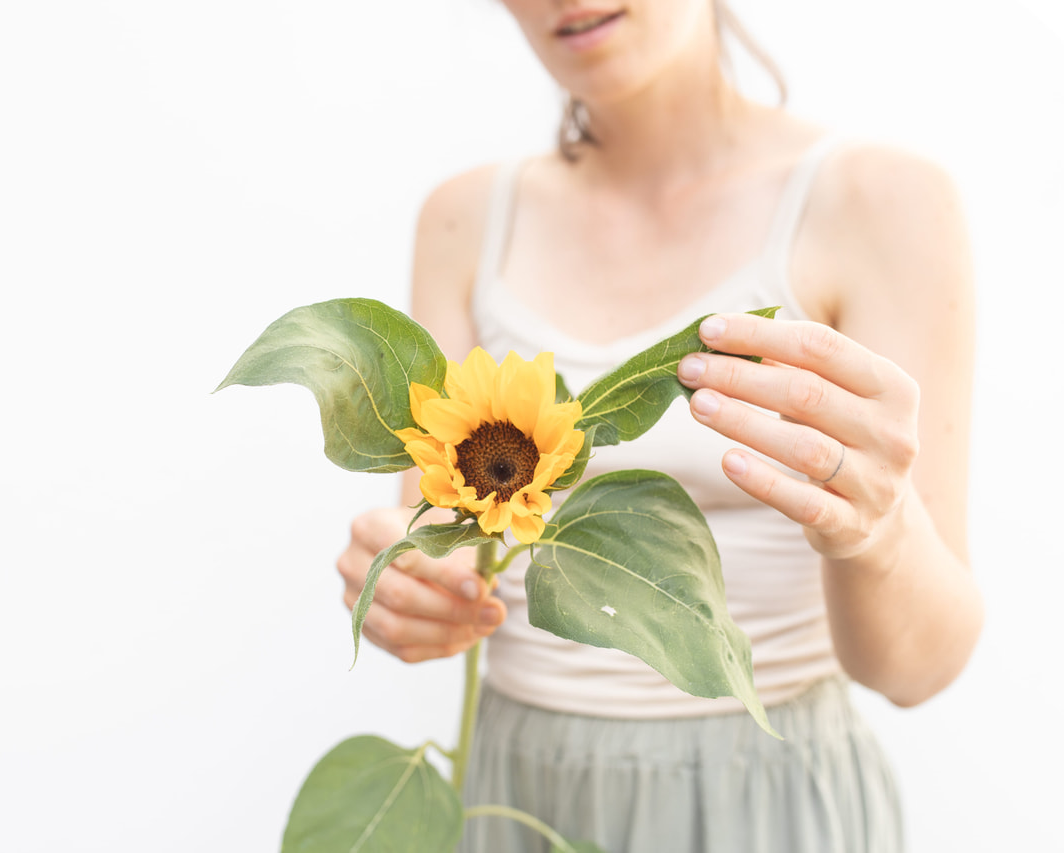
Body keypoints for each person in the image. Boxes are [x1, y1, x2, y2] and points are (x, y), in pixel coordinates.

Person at [336, 1, 983, 850]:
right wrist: (400, 579)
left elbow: (920, 669)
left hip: (766, 802)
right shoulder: (462, 221)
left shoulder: (879, 202)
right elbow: (445, 550)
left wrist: (877, 530)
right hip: (515, 794)